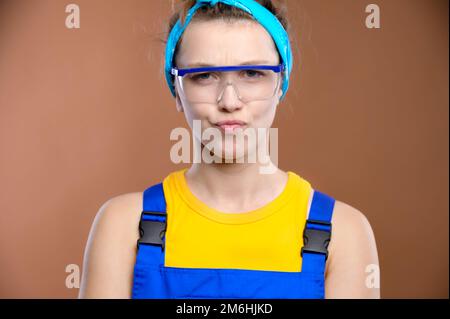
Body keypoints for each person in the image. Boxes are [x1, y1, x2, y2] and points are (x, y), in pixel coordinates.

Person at [78, 0, 380, 299]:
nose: (229, 100)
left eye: (252, 73)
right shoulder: (123, 226)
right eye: (204, 76)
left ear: (281, 83)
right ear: (177, 90)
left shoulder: (344, 232)